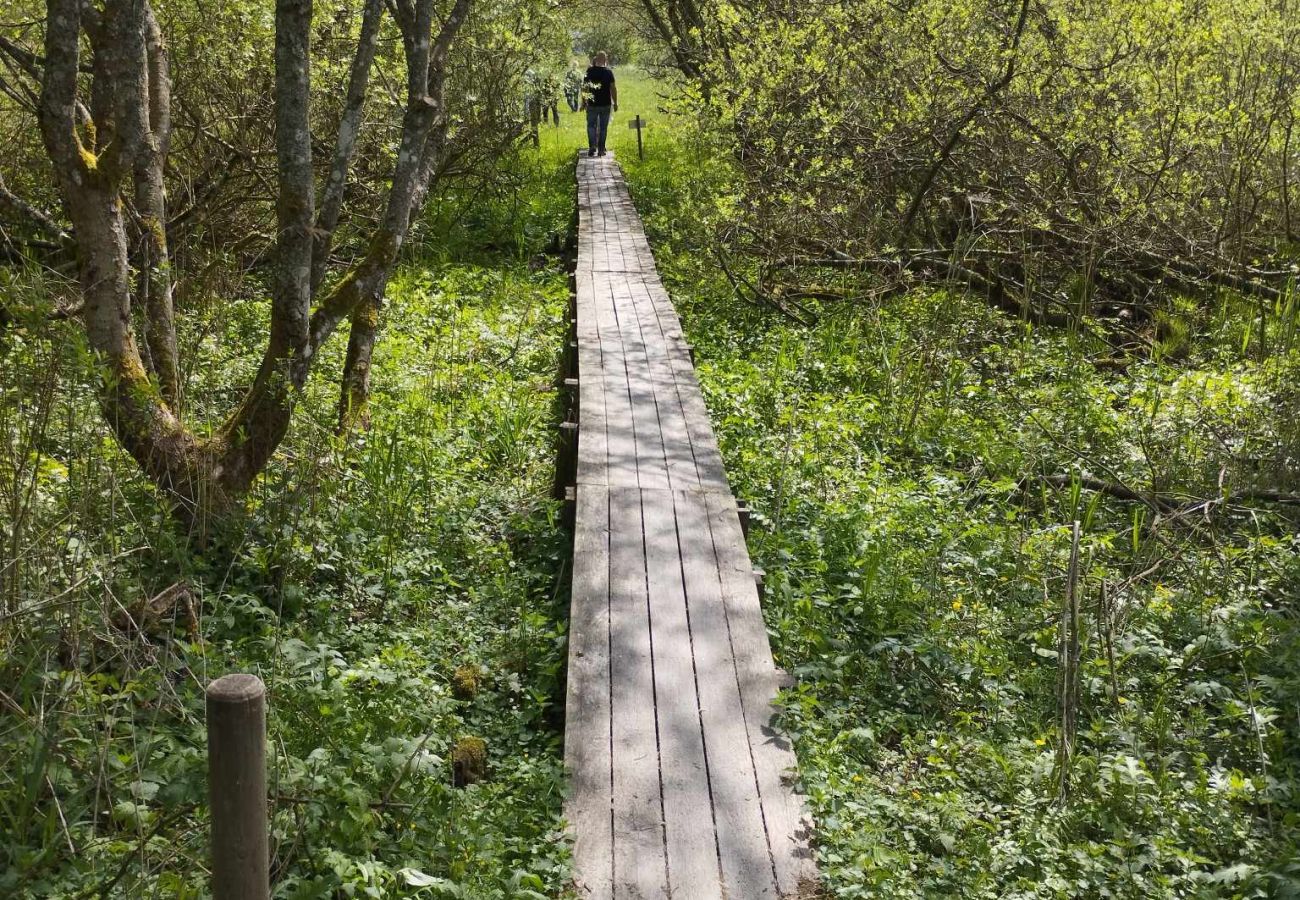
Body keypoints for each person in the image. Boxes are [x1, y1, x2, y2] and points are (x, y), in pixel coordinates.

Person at [580, 51, 617, 158]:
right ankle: (601, 150)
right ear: (605, 60)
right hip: (606, 104)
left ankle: (592, 146)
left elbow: (584, 88)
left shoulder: (589, 71)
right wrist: (615, 103)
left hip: (592, 104)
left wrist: (583, 102)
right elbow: (613, 88)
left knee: (591, 126)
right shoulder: (609, 72)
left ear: (596, 59)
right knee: (603, 128)